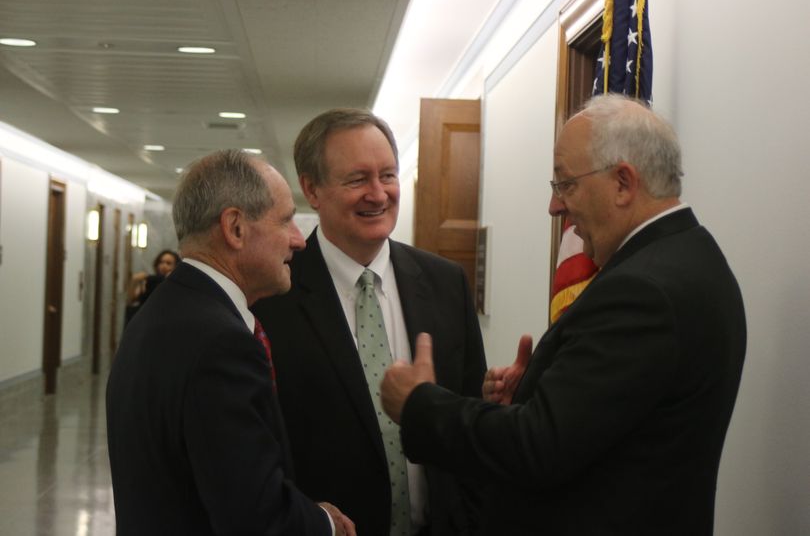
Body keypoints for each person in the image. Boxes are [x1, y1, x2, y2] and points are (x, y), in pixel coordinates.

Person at [380, 94, 747, 535]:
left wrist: (420, 404)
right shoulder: (690, 256)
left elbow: (537, 448)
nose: (555, 207)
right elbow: (602, 424)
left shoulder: (642, 291)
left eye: (565, 184)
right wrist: (534, 394)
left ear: (624, 183)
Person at [251, 108, 487, 536]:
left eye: (388, 176)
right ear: (312, 189)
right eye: (357, 180)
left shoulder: (445, 282)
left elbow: (467, 415)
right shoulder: (272, 296)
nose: (378, 194)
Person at [106, 149, 355, 536]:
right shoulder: (220, 343)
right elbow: (254, 516)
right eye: (286, 220)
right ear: (235, 227)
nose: (298, 240)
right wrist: (326, 524)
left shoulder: (165, 311)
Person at [124, 249, 180, 324]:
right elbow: (130, 300)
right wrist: (134, 281)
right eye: (161, 262)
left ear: (175, 266)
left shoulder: (176, 285)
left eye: (168, 263)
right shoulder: (148, 282)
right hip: (144, 321)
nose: (164, 266)